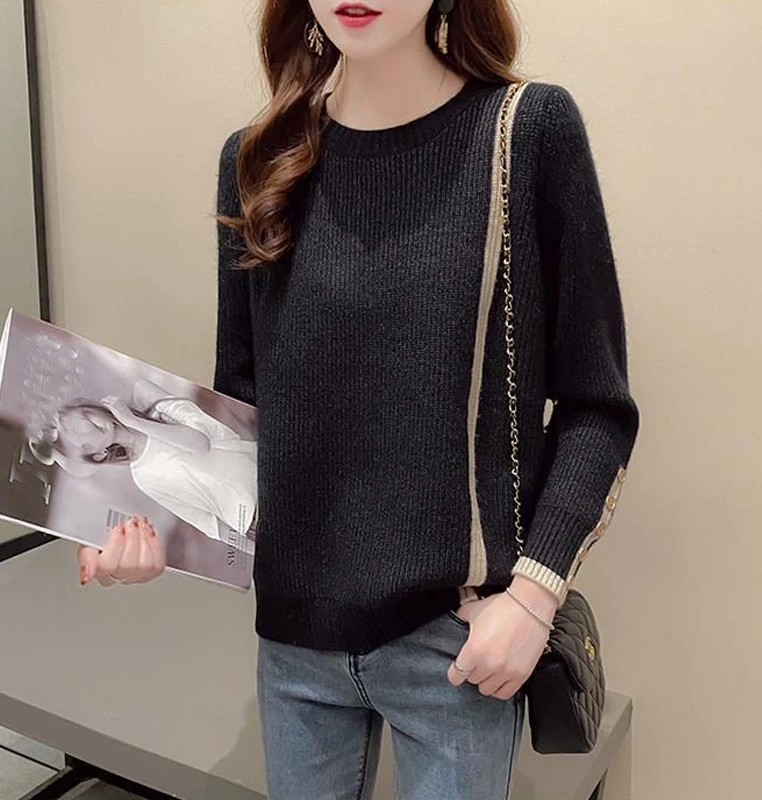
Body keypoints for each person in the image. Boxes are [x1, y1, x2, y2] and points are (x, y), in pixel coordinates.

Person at [78, 1, 640, 798]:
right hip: (294, 647)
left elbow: (597, 407)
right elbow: (246, 417)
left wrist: (533, 597)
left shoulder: (525, 134)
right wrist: (150, 533)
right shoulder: (256, 160)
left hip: (455, 646)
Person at [34, 377, 257, 554]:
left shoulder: (162, 410)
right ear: (99, 454)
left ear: (95, 406)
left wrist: (134, 422)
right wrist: (259, 553)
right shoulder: (144, 477)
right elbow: (209, 524)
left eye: (85, 417)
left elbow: (200, 443)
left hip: (263, 467)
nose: (88, 429)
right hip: (254, 520)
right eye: (84, 442)